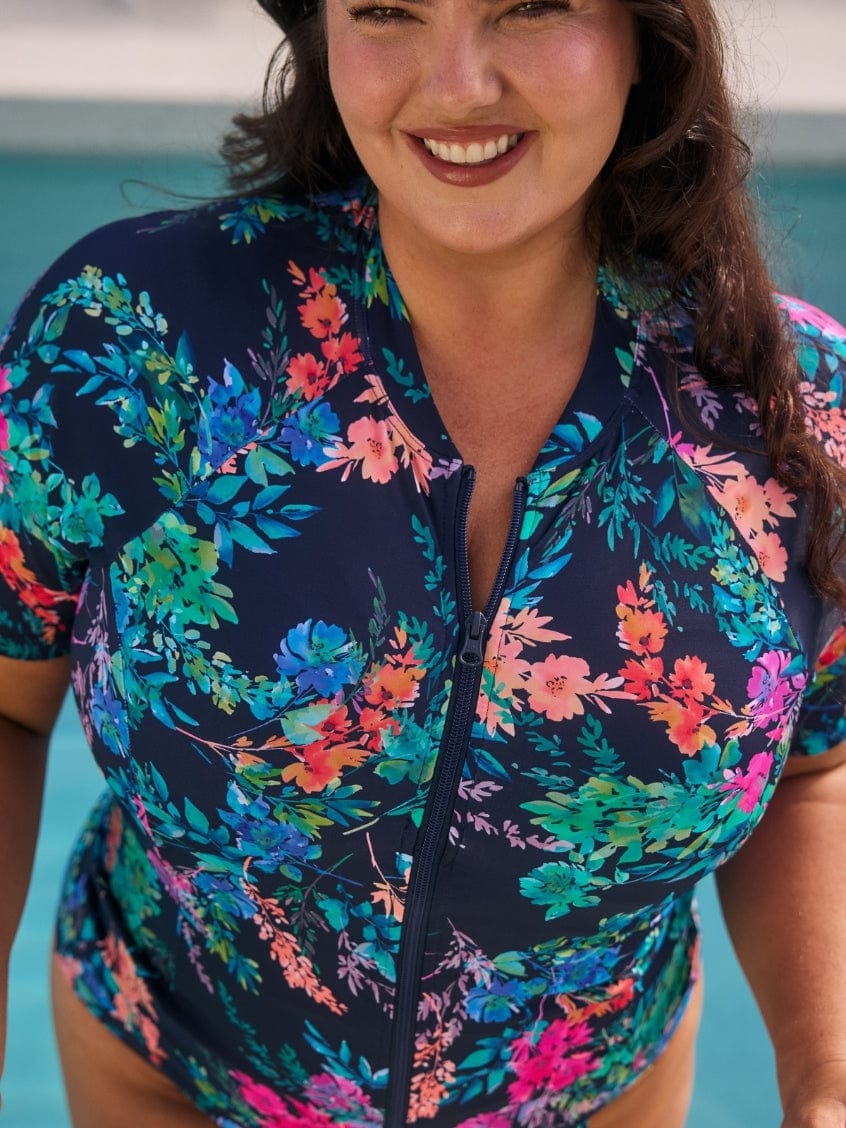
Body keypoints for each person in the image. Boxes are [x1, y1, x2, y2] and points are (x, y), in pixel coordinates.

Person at [1, 0, 845, 1124]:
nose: (455, 87)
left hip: (595, 1096)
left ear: (648, 33)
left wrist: (823, 1081)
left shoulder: (798, 416)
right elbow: (6, 709)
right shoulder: (135, 342)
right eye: (388, 8)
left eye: (530, 4)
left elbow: (812, 769)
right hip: (179, 1072)